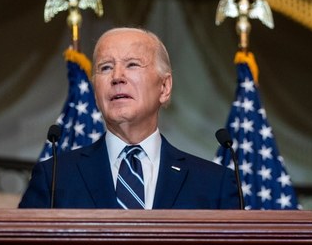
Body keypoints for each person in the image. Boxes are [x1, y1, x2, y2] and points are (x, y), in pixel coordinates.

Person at [19, 27, 240, 209]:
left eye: (132, 64)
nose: (117, 77)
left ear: (164, 87)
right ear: (95, 92)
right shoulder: (55, 177)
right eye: (105, 67)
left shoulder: (214, 184)